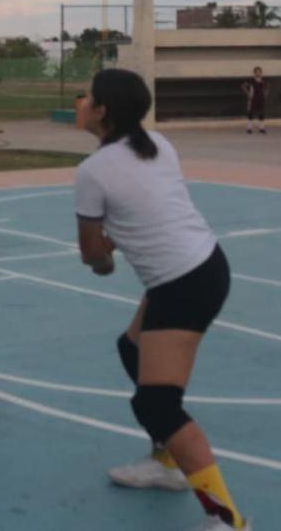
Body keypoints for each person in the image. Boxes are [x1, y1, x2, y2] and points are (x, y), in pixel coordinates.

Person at [75, 69, 249, 530]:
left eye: (87, 96)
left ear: (103, 111)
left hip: (184, 283)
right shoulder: (158, 143)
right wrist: (118, 240)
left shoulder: (93, 171)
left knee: (156, 403)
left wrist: (105, 258)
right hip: (205, 265)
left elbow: (93, 255)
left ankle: (228, 520)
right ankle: (166, 462)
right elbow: (148, 207)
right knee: (130, 348)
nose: (81, 101)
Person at [239, 67, 268, 134]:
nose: (258, 73)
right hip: (253, 99)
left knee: (261, 113)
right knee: (250, 113)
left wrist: (265, 94)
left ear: (261, 73)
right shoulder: (251, 81)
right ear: (254, 73)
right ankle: (249, 128)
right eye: (256, 72)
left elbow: (267, 88)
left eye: (259, 72)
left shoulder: (264, 81)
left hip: (261, 99)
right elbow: (243, 86)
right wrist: (248, 93)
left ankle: (261, 128)